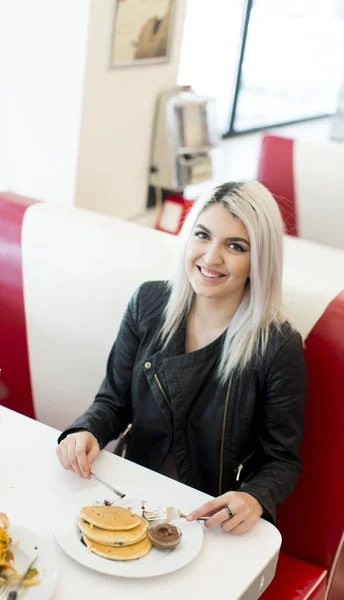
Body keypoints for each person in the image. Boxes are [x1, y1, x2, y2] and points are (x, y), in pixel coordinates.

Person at [57, 180, 307, 535]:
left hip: (212, 518)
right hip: (134, 496)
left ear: (258, 261)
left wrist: (253, 497)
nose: (211, 257)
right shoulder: (148, 303)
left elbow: (282, 461)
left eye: (235, 246)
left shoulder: (277, 347)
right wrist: (85, 430)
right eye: (202, 235)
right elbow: (112, 402)